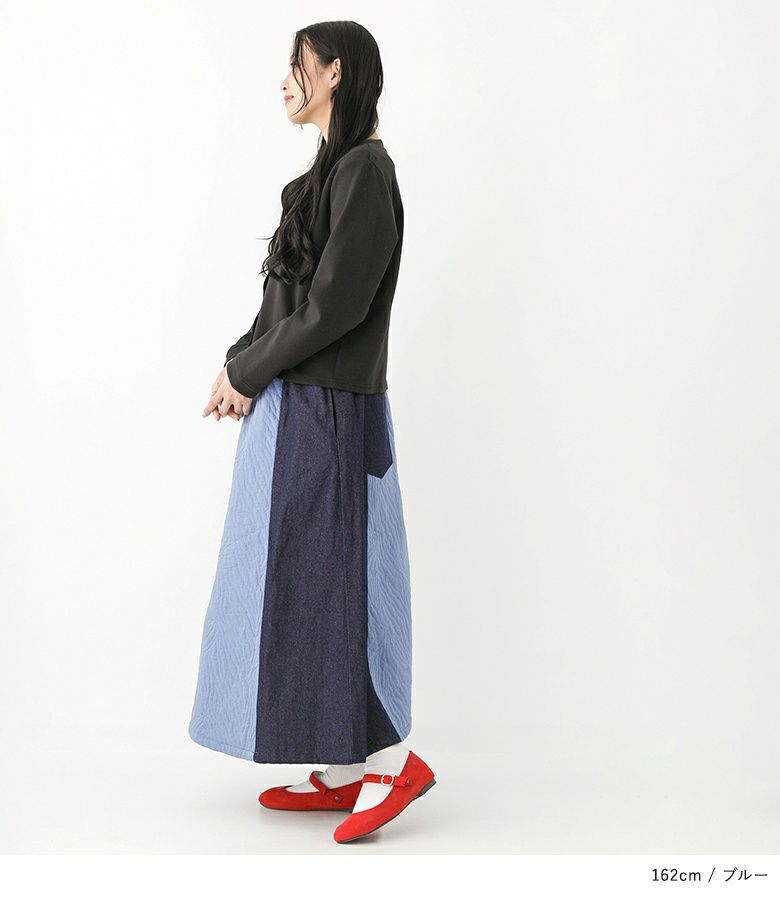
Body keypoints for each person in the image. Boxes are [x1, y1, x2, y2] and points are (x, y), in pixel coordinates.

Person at [188, 20, 436, 845]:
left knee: (346, 585)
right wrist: (237, 368)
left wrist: (252, 372)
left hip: (334, 411)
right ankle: (344, 765)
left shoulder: (366, 170)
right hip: (296, 409)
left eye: (295, 66)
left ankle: (393, 763)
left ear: (334, 73)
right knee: (301, 585)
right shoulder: (321, 177)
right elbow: (283, 305)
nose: (284, 81)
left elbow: (336, 309)